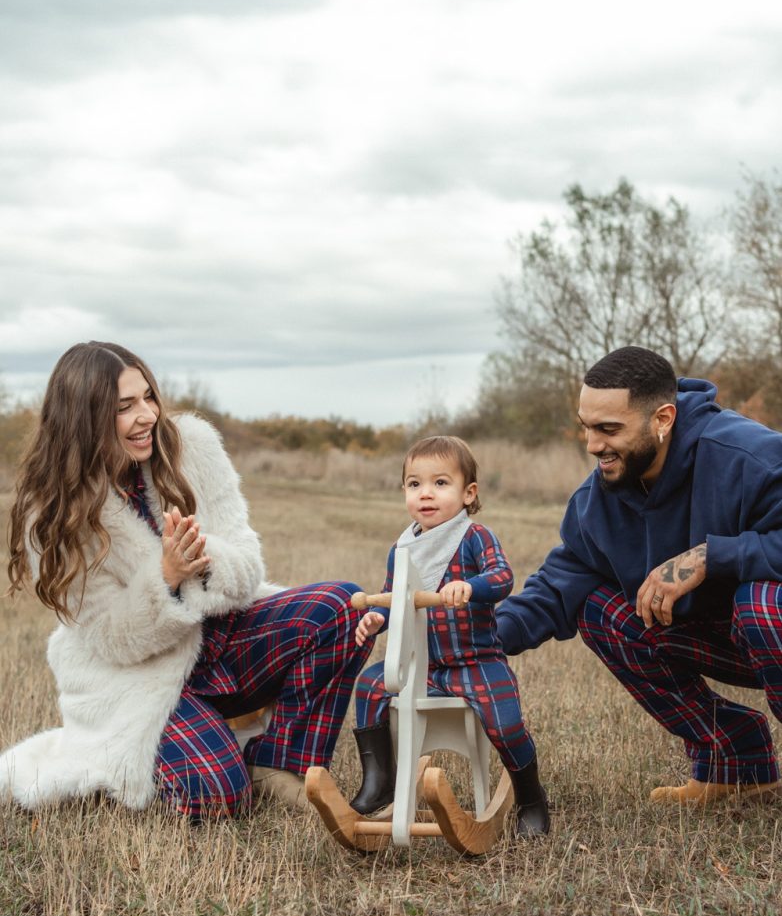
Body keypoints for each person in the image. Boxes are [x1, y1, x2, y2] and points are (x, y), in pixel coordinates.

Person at [2, 341, 372, 819]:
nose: (147, 416)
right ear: (84, 419)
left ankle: (281, 762)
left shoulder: (191, 447)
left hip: (224, 638)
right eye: (123, 407)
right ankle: (178, 745)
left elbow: (246, 561)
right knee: (215, 794)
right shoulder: (54, 513)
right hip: (140, 677)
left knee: (344, 606)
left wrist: (203, 559)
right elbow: (111, 639)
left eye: (148, 397)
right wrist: (165, 578)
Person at [496, 344, 782, 806]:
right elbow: (557, 585)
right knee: (596, 607)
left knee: (761, 603)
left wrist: (712, 557)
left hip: (768, 625)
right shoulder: (599, 498)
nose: (593, 445)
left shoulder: (749, 457)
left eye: (609, 429)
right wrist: (480, 638)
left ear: (663, 419)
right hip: (732, 639)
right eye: (586, 427)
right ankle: (736, 762)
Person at [349, 435, 550, 837]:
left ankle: (531, 797)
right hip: (424, 667)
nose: (426, 493)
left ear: (467, 493)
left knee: (504, 724)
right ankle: (380, 779)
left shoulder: (474, 537)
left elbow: (502, 577)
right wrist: (375, 617)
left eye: (440, 483)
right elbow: (394, 598)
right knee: (369, 686)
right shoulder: (402, 548)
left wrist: (471, 586)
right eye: (414, 484)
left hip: (475, 661)